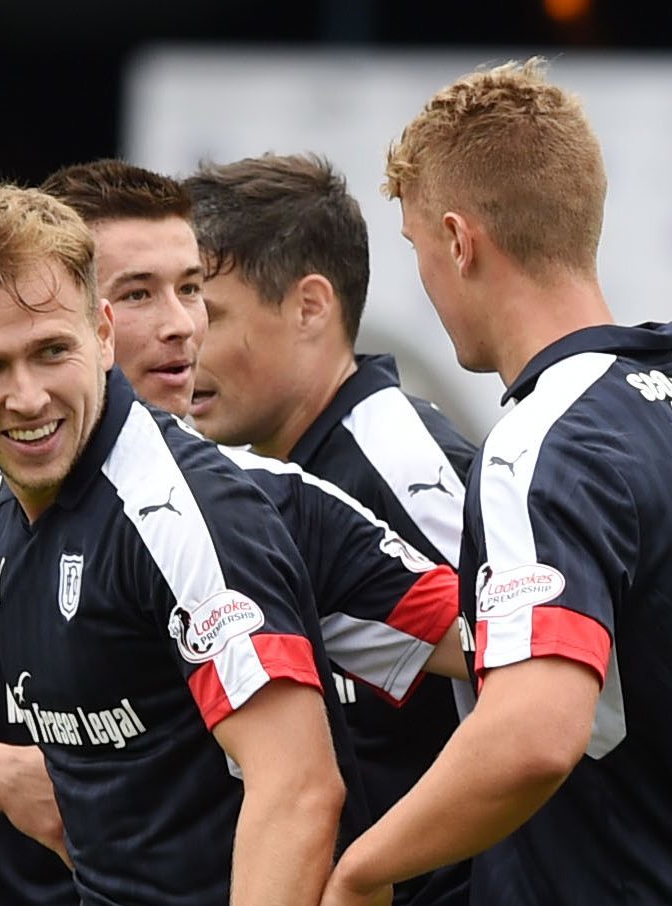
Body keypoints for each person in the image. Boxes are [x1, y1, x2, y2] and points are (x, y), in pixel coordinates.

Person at [0, 160, 461, 906]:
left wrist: (408, 878)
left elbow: (502, 669)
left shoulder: (239, 503)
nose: (180, 322)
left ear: (95, 332)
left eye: (191, 287)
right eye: (141, 291)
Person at [322, 58, 672, 906]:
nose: (426, 282)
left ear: (459, 242)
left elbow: (534, 735)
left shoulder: (540, 442)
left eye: (419, 252)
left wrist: (363, 867)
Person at [0, 181, 353, 906]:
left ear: (101, 336)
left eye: (51, 352)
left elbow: (297, 788)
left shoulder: (181, 509)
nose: (27, 398)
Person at [184, 153, 475, 906]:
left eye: (207, 313)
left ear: (311, 306)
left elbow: (544, 689)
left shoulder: (397, 460)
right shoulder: (266, 484)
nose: (181, 347)